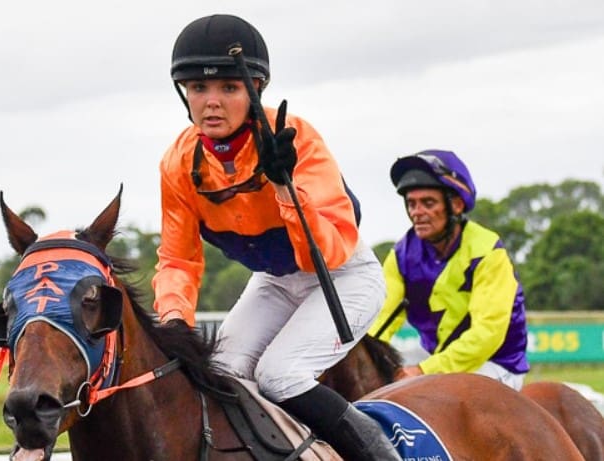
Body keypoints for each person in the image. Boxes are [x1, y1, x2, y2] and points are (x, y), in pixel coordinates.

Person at [152, 13, 400, 460]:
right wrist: (173, 320)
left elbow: (324, 252)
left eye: (229, 88)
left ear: (255, 89)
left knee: (280, 374)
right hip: (273, 280)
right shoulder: (177, 163)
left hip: (343, 276)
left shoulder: (298, 139)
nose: (211, 103)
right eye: (199, 88)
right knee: (222, 375)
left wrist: (285, 187)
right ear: (183, 94)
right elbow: (178, 260)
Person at [368, 149, 530, 390]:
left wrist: (425, 370)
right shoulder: (401, 255)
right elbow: (379, 321)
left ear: (455, 205)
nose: (416, 212)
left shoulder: (487, 252)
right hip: (437, 359)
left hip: (495, 362)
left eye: (428, 203)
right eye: (411, 204)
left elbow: (487, 334)